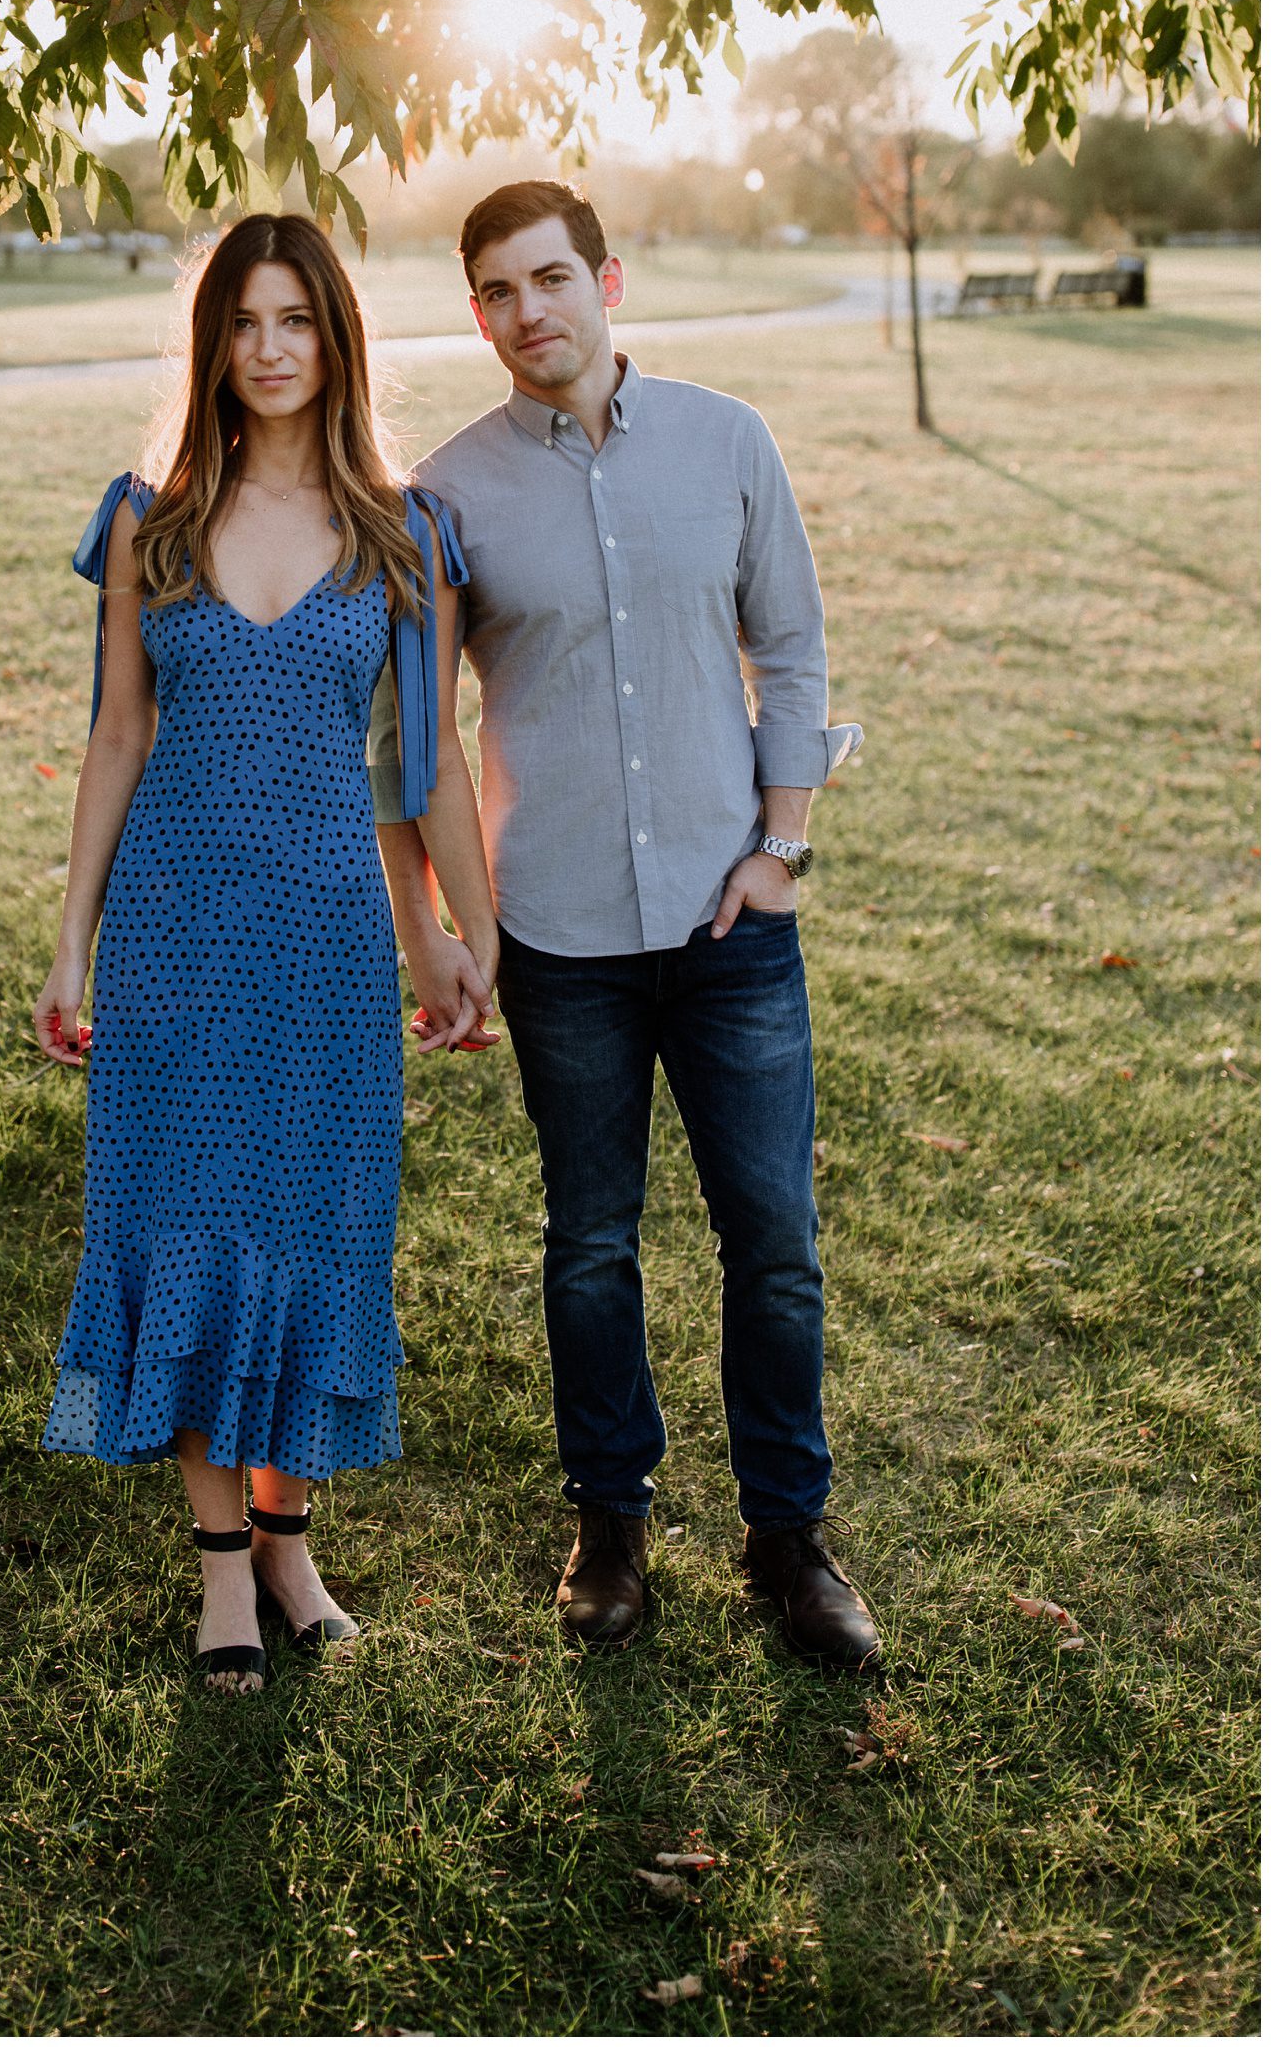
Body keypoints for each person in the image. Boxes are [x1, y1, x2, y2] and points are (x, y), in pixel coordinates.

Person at [370, 179, 881, 1669]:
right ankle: (610, 1521)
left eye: (550, 280)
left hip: (734, 929)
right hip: (564, 941)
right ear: (476, 314)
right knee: (590, 1243)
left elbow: (791, 646)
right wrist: (451, 928)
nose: (528, 314)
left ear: (608, 279)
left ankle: (789, 1533)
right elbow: (419, 737)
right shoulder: (445, 493)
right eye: (495, 294)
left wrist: (782, 848)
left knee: (772, 1241)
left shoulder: (729, 443)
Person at [34, 212, 498, 1693]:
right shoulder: (146, 522)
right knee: (185, 1221)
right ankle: (223, 1569)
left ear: (337, 338)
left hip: (328, 943)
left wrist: (459, 943)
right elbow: (116, 735)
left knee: (312, 1226)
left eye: (298, 318)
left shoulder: (403, 530)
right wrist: (70, 944)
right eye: (245, 322)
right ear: (213, 345)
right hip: (176, 932)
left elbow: (424, 764)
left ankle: (294, 1542)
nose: (272, 347)